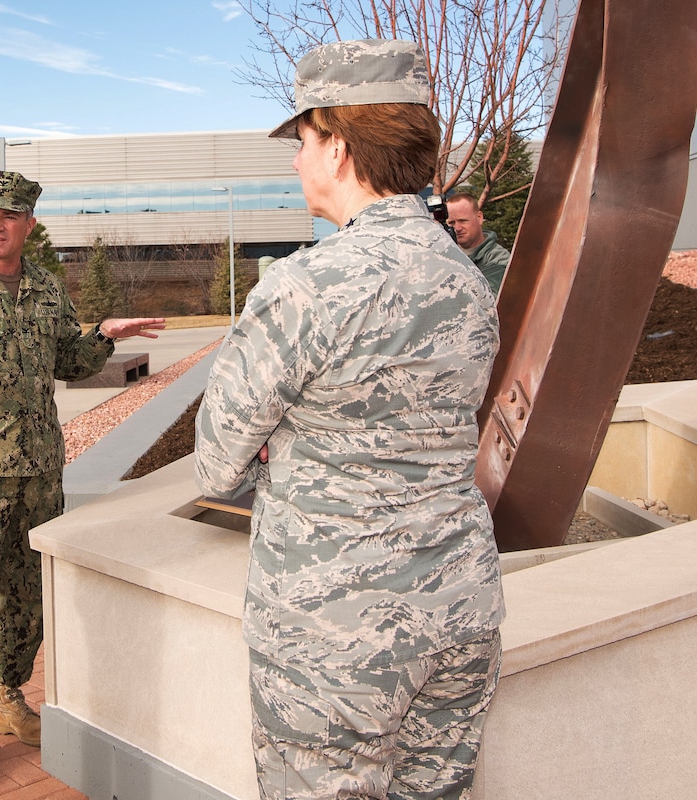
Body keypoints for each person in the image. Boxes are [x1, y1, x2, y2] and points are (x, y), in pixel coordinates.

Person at [194, 40, 505, 800]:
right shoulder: (468, 279)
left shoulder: (304, 286)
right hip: (460, 605)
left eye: (301, 143)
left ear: (337, 146)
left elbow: (215, 464)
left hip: (334, 634)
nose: (296, 162)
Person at [0, 169, 165, 795]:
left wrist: (102, 335)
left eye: (9, 216)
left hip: (38, 473)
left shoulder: (48, 291)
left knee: (24, 595)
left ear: (28, 225)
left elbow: (67, 363)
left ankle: (7, 694)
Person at [446, 191, 510, 295]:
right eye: (451, 223)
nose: (457, 228)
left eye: (463, 221)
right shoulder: (446, 254)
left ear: (479, 218)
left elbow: (488, 301)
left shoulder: (498, 258)